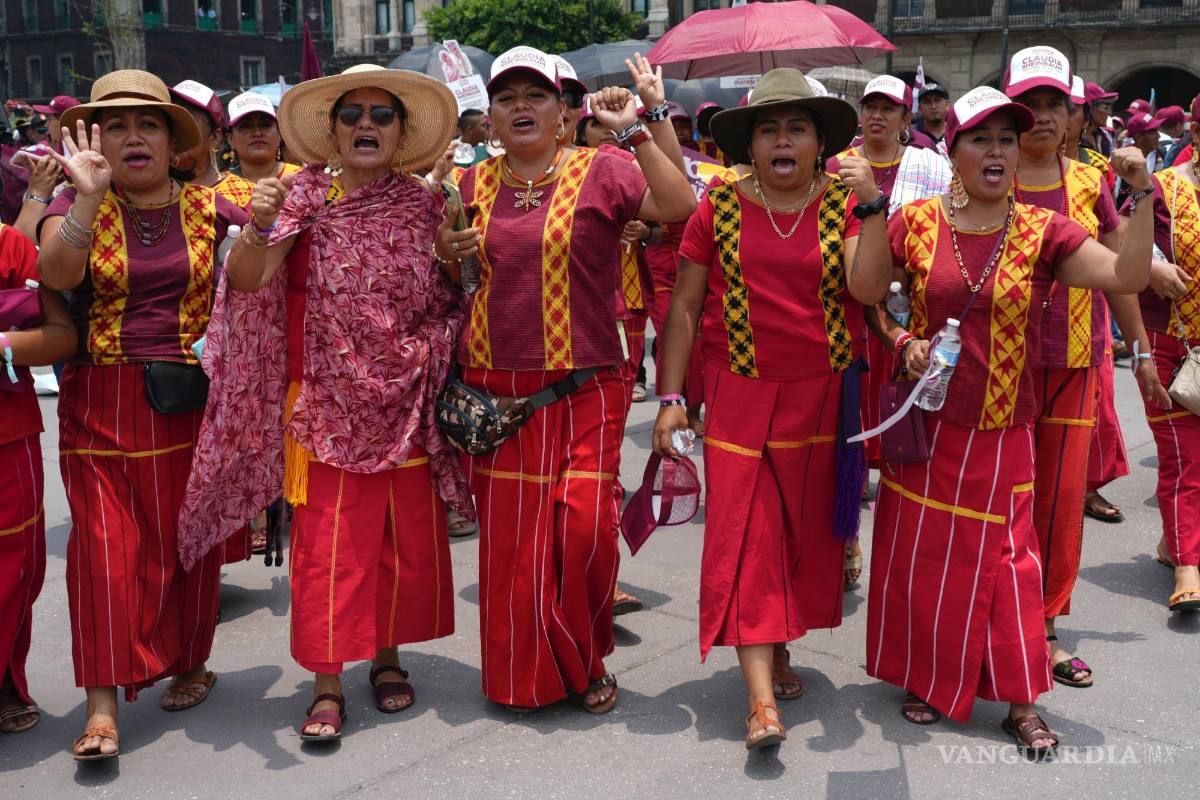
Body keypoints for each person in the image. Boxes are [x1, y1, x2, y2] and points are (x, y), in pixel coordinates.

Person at [181, 64, 471, 741]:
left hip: (405, 394)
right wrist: (258, 227)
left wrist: (455, 262)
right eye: (352, 114)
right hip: (320, 402)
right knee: (330, 547)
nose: (366, 125)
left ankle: (388, 658)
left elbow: (449, 296)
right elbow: (248, 280)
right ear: (332, 130)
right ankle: (327, 681)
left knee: (398, 538)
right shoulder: (301, 195)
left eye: (381, 115)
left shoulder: (428, 205)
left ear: (401, 132)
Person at [866, 86, 1153, 756]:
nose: (996, 151)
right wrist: (902, 341)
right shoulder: (915, 222)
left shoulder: (1043, 230)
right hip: (927, 422)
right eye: (980, 139)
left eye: (1005, 139)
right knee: (925, 555)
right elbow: (869, 295)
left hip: (1004, 424)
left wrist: (1140, 197)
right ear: (953, 151)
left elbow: (1126, 275)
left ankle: (1021, 698)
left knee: (1011, 561)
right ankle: (928, 676)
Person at [435, 46, 695, 714]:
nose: (520, 107)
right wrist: (443, 251)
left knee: (584, 529)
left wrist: (637, 130)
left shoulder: (603, 168)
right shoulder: (465, 186)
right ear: (489, 119)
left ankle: (584, 653)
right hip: (496, 393)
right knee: (515, 545)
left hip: (588, 383)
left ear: (563, 113)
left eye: (536, 96)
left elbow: (679, 207)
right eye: (506, 98)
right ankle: (530, 678)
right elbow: (446, 281)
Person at [654, 67, 891, 750]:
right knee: (748, 539)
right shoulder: (718, 207)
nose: (782, 140)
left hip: (824, 399)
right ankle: (759, 702)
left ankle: (778, 644)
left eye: (796, 128)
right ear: (750, 145)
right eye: (768, 130)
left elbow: (868, 290)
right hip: (739, 398)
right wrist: (671, 398)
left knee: (799, 541)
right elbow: (685, 306)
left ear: (820, 143)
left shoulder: (845, 203)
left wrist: (873, 209)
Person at [37, 69, 247, 760]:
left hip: (188, 401)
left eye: (148, 124)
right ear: (93, 141)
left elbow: (270, 259)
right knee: (103, 555)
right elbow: (57, 275)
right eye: (116, 126)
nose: (133, 137)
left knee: (184, 543)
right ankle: (102, 707)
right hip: (99, 401)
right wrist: (87, 198)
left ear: (171, 141)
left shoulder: (214, 206)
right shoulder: (74, 203)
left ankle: (190, 661)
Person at [1003, 46, 1128, 691]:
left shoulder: (1089, 182)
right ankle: (992, 620)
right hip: (998, 366)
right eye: (1029, 104)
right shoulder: (982, 175)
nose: (1043, 116)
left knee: (1057, 504)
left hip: (1076, 361)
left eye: (1055, 103)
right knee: (1002, 497)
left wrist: (1141, 353)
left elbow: (1119, 272)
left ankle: (1045, 625)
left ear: (1074, 114)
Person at [828, 75, 952, 588]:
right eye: (870, 106)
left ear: (906, 118)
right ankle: (848, 536)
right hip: (849, 314)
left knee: (904, 435)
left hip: (907, 319)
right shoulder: (835, 165)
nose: (877, 115)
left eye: (889, 108)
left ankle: (909, 545)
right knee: (848, 432)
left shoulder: (932, 166)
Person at [1115, 92, 1200, 611]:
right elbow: (1119, 241)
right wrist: (1150, 267)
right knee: (1184, 458)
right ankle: (1189, 564)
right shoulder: (1163, 187)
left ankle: (1175, 541)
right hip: (1171, 345)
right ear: (1196, 132)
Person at [0, 225, 77, 734]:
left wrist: (4, 344)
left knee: (13, 568)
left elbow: (61, 336)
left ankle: (5, 677)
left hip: (7, 433)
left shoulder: (8, 245)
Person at [1118, 112, 1165, 206]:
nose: (1158, 136)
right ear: (1138, 137)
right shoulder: (1122, 159)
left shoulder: (1162, 154)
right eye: (1153, 132)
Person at [1082, 82, 1118, 157]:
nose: (1108, 113)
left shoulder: (1105, 137)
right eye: (1106, 108)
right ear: (1091, 109)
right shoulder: (1073, 138)